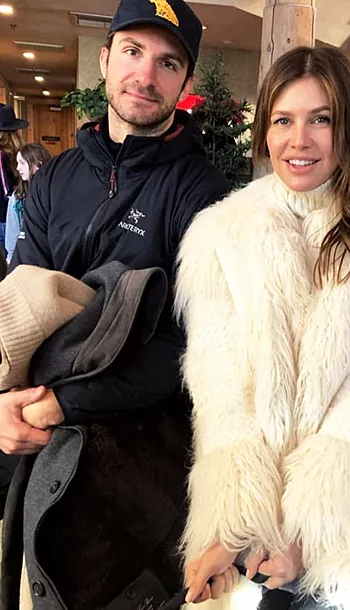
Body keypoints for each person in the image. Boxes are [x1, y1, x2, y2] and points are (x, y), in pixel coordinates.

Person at [175, 46, 350, 610]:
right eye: (283, 120)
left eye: (320, 119)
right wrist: (233, 527)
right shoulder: (220, 236)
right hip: (261, 539)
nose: (298, 140)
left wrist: (309, 531)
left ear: (347, 126)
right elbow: (221, 387)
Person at [0, 0, 230, 607]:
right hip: (38, 437)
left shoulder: (203, 194)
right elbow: (20, 307)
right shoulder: (55, 179)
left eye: (168, 63)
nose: (145, 76)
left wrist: (63, 401)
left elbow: (188, 347)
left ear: (184, 81)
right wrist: (7, 403)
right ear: (105, 59)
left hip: (141, 462)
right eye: (132, 52)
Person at [5, 143, 52, 263]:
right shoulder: (18, 197)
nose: (17, 168)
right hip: (25, 259)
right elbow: (12, 237)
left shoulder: (54, 191)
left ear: (38, 164)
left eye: (22, 163)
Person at [0, 104, 28, 253]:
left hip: (5, 217)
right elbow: (7, 191)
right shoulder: (15, 153)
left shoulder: (2, 155)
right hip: (11, 215)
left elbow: (6, 191)